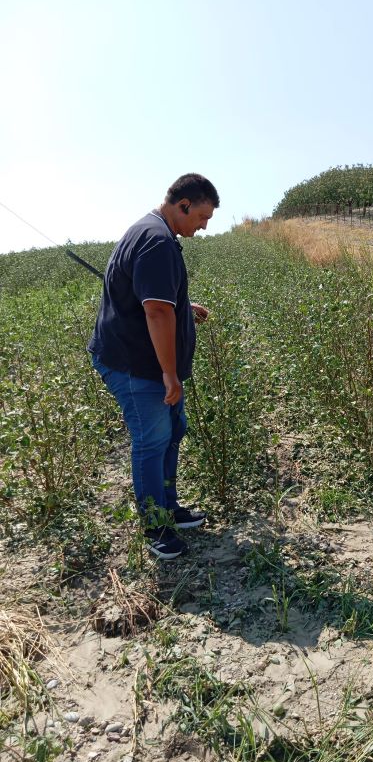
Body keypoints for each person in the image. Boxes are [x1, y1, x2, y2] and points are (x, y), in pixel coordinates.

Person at [88, 173, 220, 559]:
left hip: (143, 360)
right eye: (201, 216)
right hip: (136, 365)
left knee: (172, 431)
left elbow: (157, 298)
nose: (203, 226)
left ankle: (169, 507)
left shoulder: (151, 231)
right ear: (183, 206)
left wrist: (184, 308)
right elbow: (157, 311)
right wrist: (169, 372)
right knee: (151, 441)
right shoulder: (157, 241)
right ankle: (155, 527)